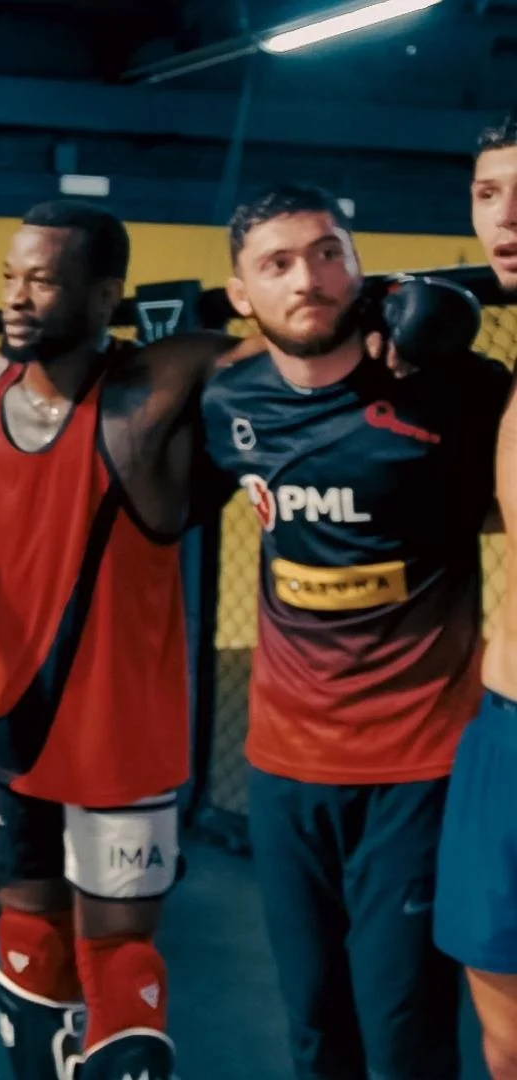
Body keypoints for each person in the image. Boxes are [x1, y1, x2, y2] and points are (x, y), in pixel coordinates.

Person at [201, 182, 509, 1080]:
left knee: (405, 1032)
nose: (308, 278)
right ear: (243, 294)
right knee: (314, 1024)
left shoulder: (455, 394)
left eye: (327, 253)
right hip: (284, 768)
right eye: (278, 264)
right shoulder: (226, 403)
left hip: (415, 766)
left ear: (360, 269)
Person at [0, 199, 257, 1080]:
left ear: (103, 294)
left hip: (119, 734)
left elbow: (280, 350)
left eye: (43, 281)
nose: (17, 296)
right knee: (27, 943)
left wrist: (384, 313)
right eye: (11, 276)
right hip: (6, 724)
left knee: (119, 954)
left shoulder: (154, 388)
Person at [433, 113, 517, 1079]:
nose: (508, 216)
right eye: (489, 193)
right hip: (502, 726)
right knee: (504, 1039)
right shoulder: (507, 383)